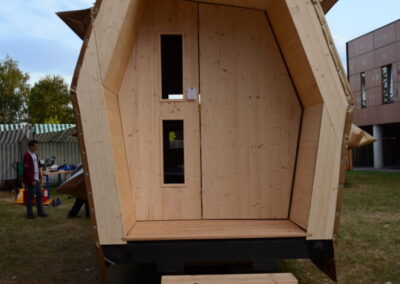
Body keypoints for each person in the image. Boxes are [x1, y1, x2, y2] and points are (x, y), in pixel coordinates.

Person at [23, 140, 48, 219]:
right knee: (30, 197)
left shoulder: (35, 155)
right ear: (31, 146)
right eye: (35, 146)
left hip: (36, 179)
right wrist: (31, 180)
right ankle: (29, 213)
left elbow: (37, 166)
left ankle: (40, 212)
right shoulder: (27, 155)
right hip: (32, 180)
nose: (37, 147)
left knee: (39, 196)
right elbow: (27, 169)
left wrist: (40, 176)